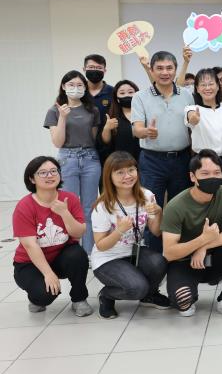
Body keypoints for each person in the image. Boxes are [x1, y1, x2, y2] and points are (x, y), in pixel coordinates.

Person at [161, 149, 222, 320]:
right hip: (185, 261)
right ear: (193, 177)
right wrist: (202, 239)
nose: (212, 177)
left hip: (215, 257)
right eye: (205, 173)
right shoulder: (175, 206)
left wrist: (204, 246)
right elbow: (169, 252)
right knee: (183, 302)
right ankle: (188, 291)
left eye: (217, 172)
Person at [91, 152, 170, 319]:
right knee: (137, 287)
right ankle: (107, 295)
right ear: (109, 176)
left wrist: (159, 211)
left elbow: (156, 231)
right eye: (120, 172)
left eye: (131, 170)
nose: (127, 176)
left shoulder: (147, 196)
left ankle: (149, 296)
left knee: (159, 262)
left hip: (134, 252)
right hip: (107, 259)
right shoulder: (103, 206)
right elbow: (101, 245)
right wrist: (119, 230)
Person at [13, 156, 93, 316]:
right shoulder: (25, 205)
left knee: (78, 255)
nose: (49, 176)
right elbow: (30, 245)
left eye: (53, 171)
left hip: (60, 257)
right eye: (42, 173)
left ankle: (79, 299)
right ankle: (36, 298)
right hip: (30, 263)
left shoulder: (69, 199)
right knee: (45, 294)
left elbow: (79, 232)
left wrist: (64, 213)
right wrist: (48, 274)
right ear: (32, 179)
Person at [132, 51, 194, 250]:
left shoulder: (186, 95)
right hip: (152, 161)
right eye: (159, 68)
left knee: (180, 210)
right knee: (151, 209)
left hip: (181, 159)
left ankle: (178, 254)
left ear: (175, 70)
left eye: (169, 68)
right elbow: (136, 128)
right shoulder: (140, 96)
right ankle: (154, 257)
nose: (165, 72)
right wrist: (145, 132)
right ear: (151, 70)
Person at [44, 70, 101, 253]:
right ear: (63, 86)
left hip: (90, 158)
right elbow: (57, 142)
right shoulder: (54, 110)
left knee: (89, 207)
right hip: (67, 158)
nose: (75, 89)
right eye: (71, 85)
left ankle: (89, 251)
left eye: (79, 85)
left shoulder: (92, 110)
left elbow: (93, 139)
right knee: (67, 207)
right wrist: (62, 117)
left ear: (85, 87)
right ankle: (70, 250)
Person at [186, 68, 222, 190]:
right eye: (203, 85)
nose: (207, 88)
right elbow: (191, 118)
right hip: (203, 162)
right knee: (204, 199)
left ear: (218, 86)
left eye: (211, 84)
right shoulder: (191, 108)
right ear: (197, 89)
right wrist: (194, 119)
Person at [100, 80, 140, 165]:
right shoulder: (111, 115)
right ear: (117, 99)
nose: (127, 95)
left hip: (143, 161)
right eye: (122, 93)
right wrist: (107, 128)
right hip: (120, 162)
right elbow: (106, 142)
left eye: (130, 92)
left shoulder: (144, 114)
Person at [84, 54, 113, 118]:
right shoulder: (78, 91)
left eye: (99, 68)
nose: (95, 70)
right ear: (84, 69)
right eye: (91, 67)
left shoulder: (113, 92)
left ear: (104, 71)